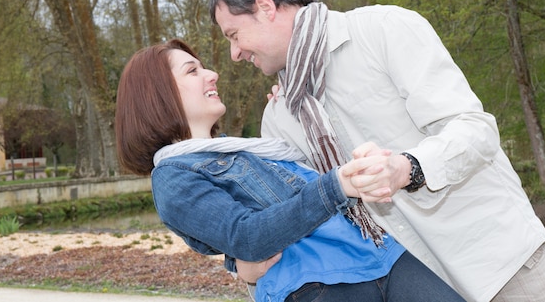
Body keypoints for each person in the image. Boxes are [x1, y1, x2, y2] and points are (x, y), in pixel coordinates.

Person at [209, 0, 545, 302]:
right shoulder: (280, 118)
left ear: (265, 7)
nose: (234, 54)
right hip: (416, 289)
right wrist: (244, 264)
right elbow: (297, 218)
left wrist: (408, 167)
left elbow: (476, 130)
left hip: (498, 263)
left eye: (234, 34)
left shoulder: (384, 30)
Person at [114, 39, 466, 302]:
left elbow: (305, 178)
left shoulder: (253, 149)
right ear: (157, 95)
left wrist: (291, 111)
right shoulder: (173, 176)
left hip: (383, 257)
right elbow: (246, 237)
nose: (212, 73)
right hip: (316, 284)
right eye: (192, 70)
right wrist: (336, 188)